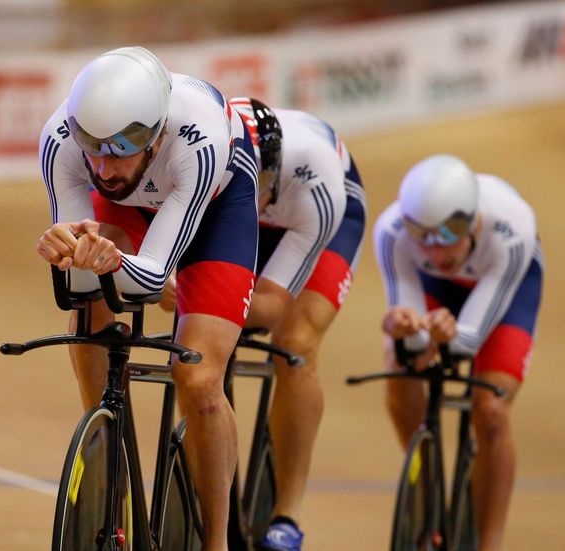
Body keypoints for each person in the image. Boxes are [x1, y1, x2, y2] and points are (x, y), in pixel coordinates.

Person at [34, 46, 259, 550]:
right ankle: (105, 445)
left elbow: (153, 280)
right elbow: (79, 285)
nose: (103, 167)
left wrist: (110, 261)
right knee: (91, 290)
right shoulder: (60, 140)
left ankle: (217, 542)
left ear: (155, 137)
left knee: (199, 378)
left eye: (119, 150)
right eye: (92, 148)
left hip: (215, 205)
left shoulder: (197, 141)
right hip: (131, 212)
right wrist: (67, 250)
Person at [160, 97, 368, 550]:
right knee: (199, 347)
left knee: (295, 341)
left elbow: (272, 304)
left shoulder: (318, 187)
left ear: (269, 176)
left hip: (312, 218)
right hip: (234, 201)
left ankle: (286, 514)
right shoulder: (209, 157)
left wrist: (207, 302)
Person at [373, 154, 544, 551]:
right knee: (399, 367)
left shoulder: (511, 226)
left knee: (492, 410)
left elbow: (467, 341)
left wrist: (445, 335)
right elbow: (411, 341)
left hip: (502, 292)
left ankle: (490, 544)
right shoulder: (391, 231)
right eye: (422, 236)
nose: (435, 250)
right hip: (436, 293)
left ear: (472, 220)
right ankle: (426, 490)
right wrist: (408, 333)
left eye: (448, 233)